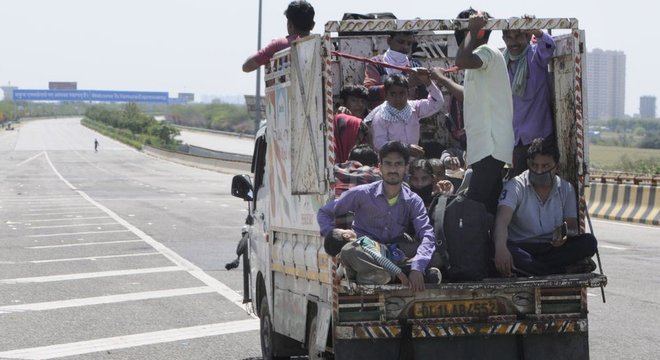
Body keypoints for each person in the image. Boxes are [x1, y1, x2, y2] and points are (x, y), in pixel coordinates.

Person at [317, 141, 437, 292]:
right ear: (380, 167)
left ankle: (392, 273)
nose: (393, 169)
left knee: (436, 254)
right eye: (388, 164)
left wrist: (418, 267)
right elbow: (324, 212)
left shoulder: (413, 200)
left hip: (395, 253)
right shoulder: (362, 193)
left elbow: (426, 234)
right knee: (349, 250)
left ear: (406, 168)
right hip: (366, 252)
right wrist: (334, 236)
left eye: (398, 164)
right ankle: (398, 273)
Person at [493, 138, 598, 276]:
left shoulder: (566, 189)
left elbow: (572, 225)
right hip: (522, 246)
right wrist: (500, 249)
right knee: (506, 253)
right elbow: (501, 221)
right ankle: (562, 271)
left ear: (557, 167)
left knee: (589, 242)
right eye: (534, 165)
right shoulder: (515, 186)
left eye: (545, 166)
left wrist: (564, 236)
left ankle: (536, 269)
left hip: (552, 248)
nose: (539, 170)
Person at [454, 8, 514, 215]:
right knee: (487, 207)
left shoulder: (486, 52)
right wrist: (439, 79)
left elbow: (460, 60)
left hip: (491, 146)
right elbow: (467, 95)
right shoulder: (478, 62)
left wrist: (471, 30)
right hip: (485, 147)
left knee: (473, 207)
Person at [502, 17, 556, 176]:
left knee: (541, 183)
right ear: (503, 39)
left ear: (526, 36)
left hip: (540, 139)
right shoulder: (502, 62)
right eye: (509, 37)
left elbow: (549, 45)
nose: (513, 42)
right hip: (515, 140)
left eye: (518, 36)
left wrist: (536, 30)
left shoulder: (535, 56)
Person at [365, 72, 444, 158]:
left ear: (408, 93)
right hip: (391, 163)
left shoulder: (414, 108)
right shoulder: (381, 116)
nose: (398, 98)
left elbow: (437, 103)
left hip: (413, 162)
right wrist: (405, 148)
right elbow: (379, 145)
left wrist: (427, 82)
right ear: (386, 96)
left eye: (402, 93)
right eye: (393, 94)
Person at [241, 1, 315, 73]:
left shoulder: (279, 44)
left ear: (289, 24)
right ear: (312, 25)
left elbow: (246, 67)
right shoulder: (319, 44)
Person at [324, 228, 410, 286]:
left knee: (359, 277)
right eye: (344, 229)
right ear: (346, 235)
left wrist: (337, 278)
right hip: (389, 267)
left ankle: (375, 276)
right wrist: (400, 274)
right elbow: (380, 258)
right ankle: (376, 275)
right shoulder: (361, 242)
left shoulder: (353, 250)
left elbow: (380, 258)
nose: (349, 229)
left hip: (386, 268)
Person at [363, 31, 428, 107]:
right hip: (382, 115)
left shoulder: (415, 65)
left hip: (409, 115)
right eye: (401, 42)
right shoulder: (376, 63)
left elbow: (424, 97)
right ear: (389, 41)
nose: (405, 47)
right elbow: (368, 91)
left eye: (409, 44)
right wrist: (405, 84)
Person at [333, 144, 382, 229]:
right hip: (357, 231)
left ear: (348, 159)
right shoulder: (372, 173)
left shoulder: (334, 170)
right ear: (374, 164)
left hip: (331, 227)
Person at [334, 84, 370, 164]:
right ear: (343, 102)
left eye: (363, 101)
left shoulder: (371, 120)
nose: (360, 105)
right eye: (354, 100)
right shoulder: (338, 122)